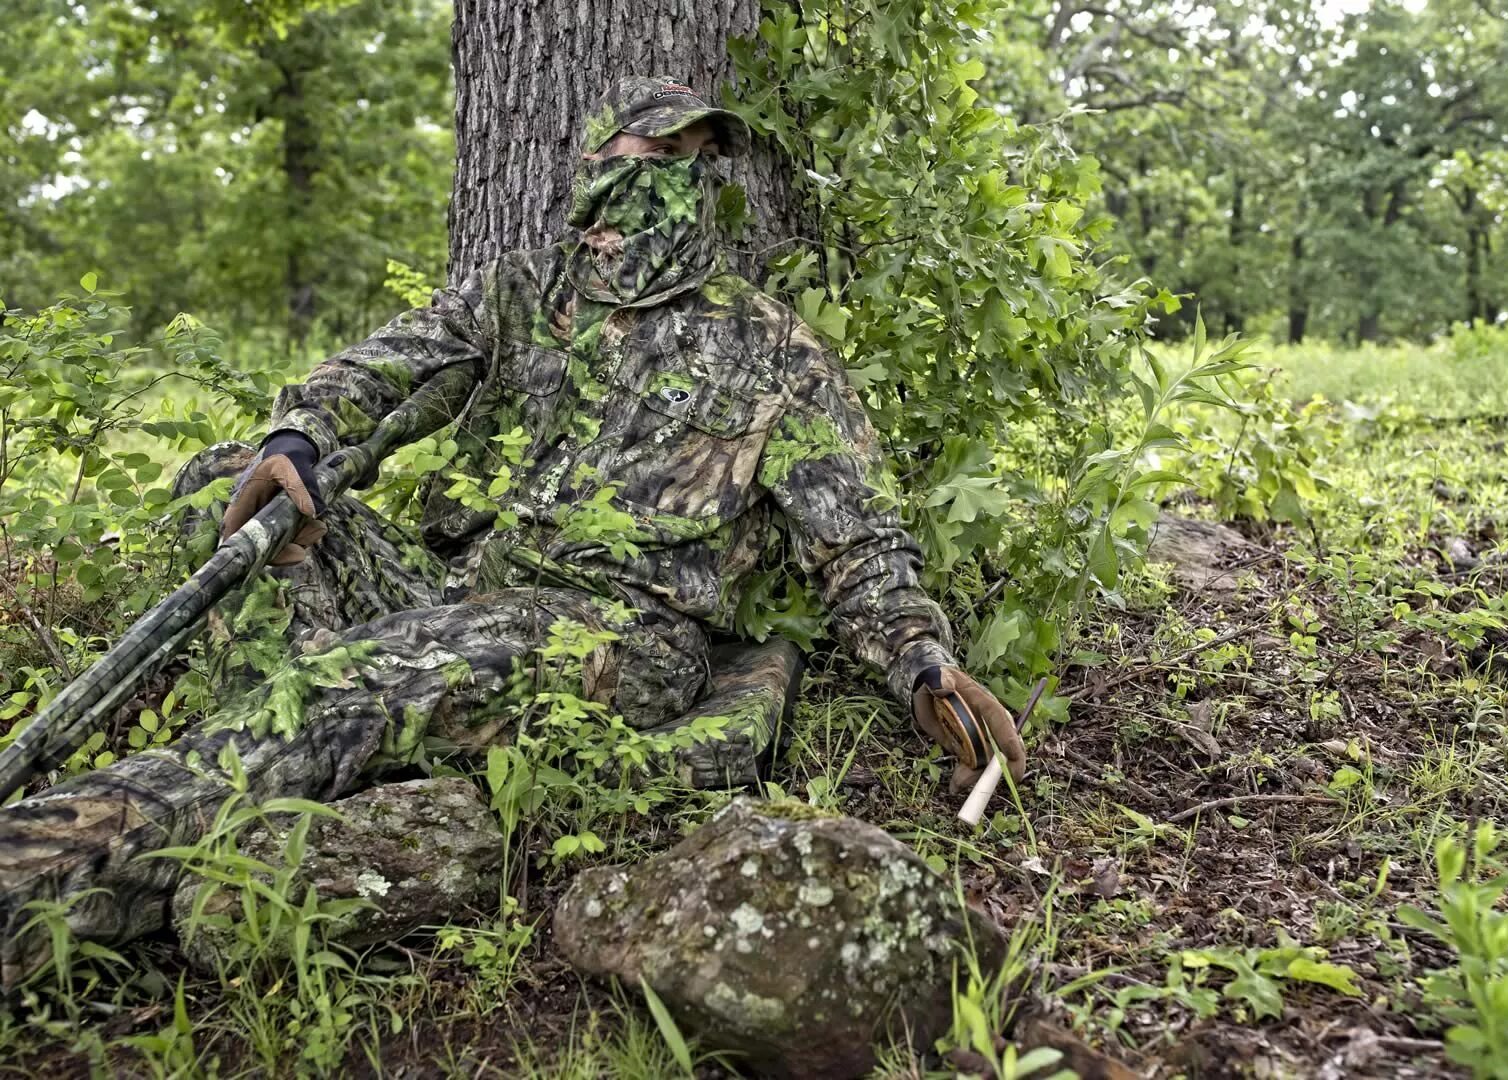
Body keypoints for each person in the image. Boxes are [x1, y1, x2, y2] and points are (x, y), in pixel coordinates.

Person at [0, 75, 1025, 978]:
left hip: (614, 636)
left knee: (347, 685)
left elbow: (857, 538)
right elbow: (393, 363)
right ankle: (286, 773)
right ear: (594, 164)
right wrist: (300, 435)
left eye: (695, 163)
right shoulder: (524, 293)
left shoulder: (770, 346)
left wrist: (921, 662)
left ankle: (46, 874)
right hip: (460, 594)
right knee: (229, 483)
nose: (674, 179)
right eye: (652, 153)